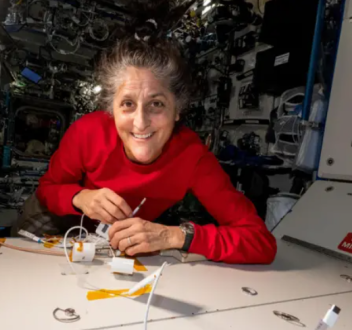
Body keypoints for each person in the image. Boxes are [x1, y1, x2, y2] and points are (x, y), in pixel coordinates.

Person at [19, 37, 277, 264]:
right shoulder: (86, 132)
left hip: (117, 238)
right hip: (56, 218)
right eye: (128, 104)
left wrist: (173, 235)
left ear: (178, 110)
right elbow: (48, 189)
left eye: (156, 104)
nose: (141, 123)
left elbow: (260, 242)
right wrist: (80, 197)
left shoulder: (193, 158)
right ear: (112, 110)